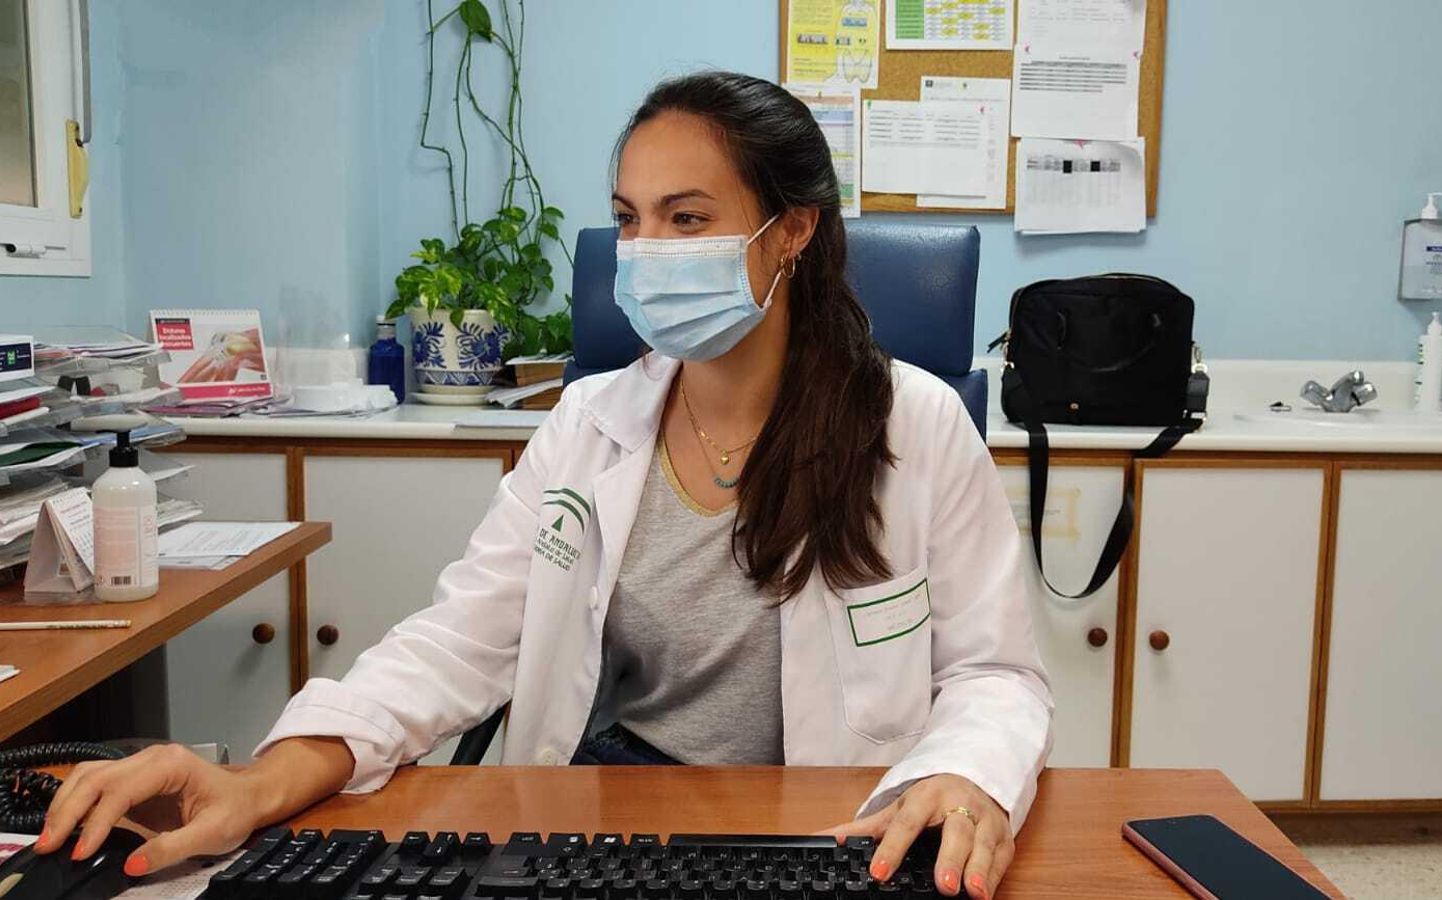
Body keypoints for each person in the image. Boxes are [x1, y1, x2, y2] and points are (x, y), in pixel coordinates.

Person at [39, 71, 1052, 900]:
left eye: (687, 217)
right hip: (612, 821)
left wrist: (965, 774)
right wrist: (262, 781)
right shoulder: (589, 423)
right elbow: (463, 641)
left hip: (835, 828)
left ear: (789, 230)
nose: (645, 253)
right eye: (629, 219)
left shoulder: (911, 425)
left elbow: (994, 674)